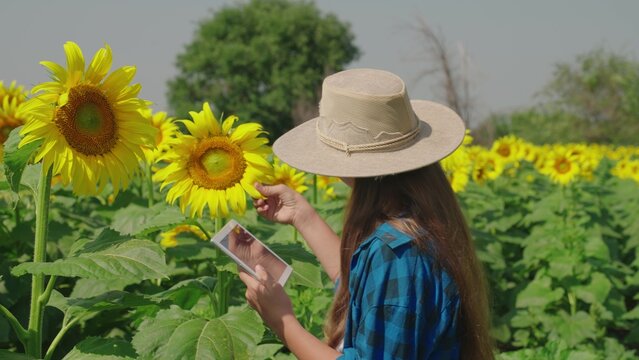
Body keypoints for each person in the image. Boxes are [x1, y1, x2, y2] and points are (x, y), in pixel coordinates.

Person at [238, 68, 493, 359]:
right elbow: (362, 289)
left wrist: (282, 320)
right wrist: (302, 215)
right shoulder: (416, 226)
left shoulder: (396, 253)